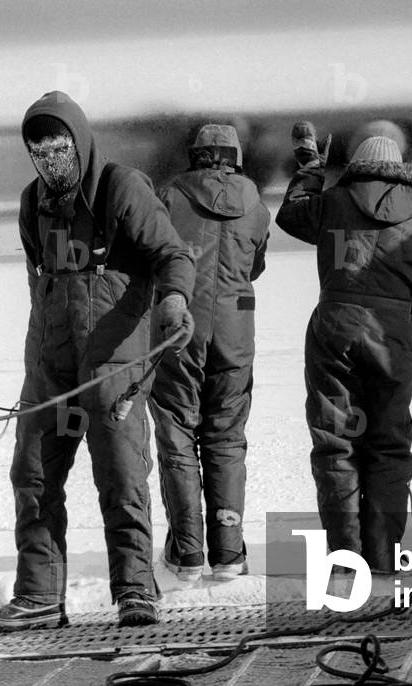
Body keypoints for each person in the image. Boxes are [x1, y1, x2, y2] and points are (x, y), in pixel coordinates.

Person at [0, 91, 195, 631]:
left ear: (79, 141)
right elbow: (40, 289)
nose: (51, 162)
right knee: (32, 475)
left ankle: (135, 592)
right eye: (40, 153)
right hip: (52, 370)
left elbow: (171, 254)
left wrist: (173, 298)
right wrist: (34, 371)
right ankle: (39, 597)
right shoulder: (33, 204)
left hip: (113, 363)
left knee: (121, 477)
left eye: (59, 149)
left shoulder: (122, 189)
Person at [275, 122, 412, 573]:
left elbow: (289, 216)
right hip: (394, 336)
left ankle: (347, 562)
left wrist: (311, 168)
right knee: (388, 447)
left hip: (335, 327)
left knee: (336, 444)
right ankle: (383, 558)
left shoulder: (331, 205)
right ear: (404, 173)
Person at [149, 124, 270, 581]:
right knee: (226, 437)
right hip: (237, 329)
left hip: (180, 327)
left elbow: (154, 252)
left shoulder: (171, 196)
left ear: (195, 156)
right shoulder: (256, 205)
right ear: (236, 158)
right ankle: (228, 552)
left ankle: (186, 553)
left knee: (178, 433)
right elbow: (255, 264)